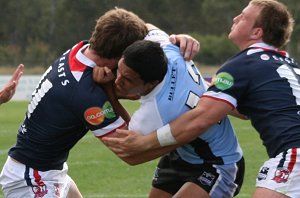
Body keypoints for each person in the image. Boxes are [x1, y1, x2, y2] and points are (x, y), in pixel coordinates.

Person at [102, 1, 300, 197]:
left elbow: (201, 118)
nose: (235, 18)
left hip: (269, 156)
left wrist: (146, 143)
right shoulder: (287, 66)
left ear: (257, 32)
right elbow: (248, 110)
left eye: (243, 17)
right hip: (186, 156)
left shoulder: (242, 65)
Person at [0, 8, 199, 198]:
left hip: (47, 170)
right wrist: (185, 134)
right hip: (33, 180)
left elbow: (141, 27)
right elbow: (130, 152)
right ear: (121, 55)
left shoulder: (82, 49)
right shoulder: (87, 95)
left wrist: (173, 40)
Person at [99, 24, 244, 198]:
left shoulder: (158, 111)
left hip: (218, 163)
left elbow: (129, 151)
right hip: (182, 156)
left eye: (127, 79)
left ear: (150, 83)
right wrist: (180, 36)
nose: (117, 80)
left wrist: (106, 90)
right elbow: (144, 26)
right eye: (119, 70)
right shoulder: (168, 49)